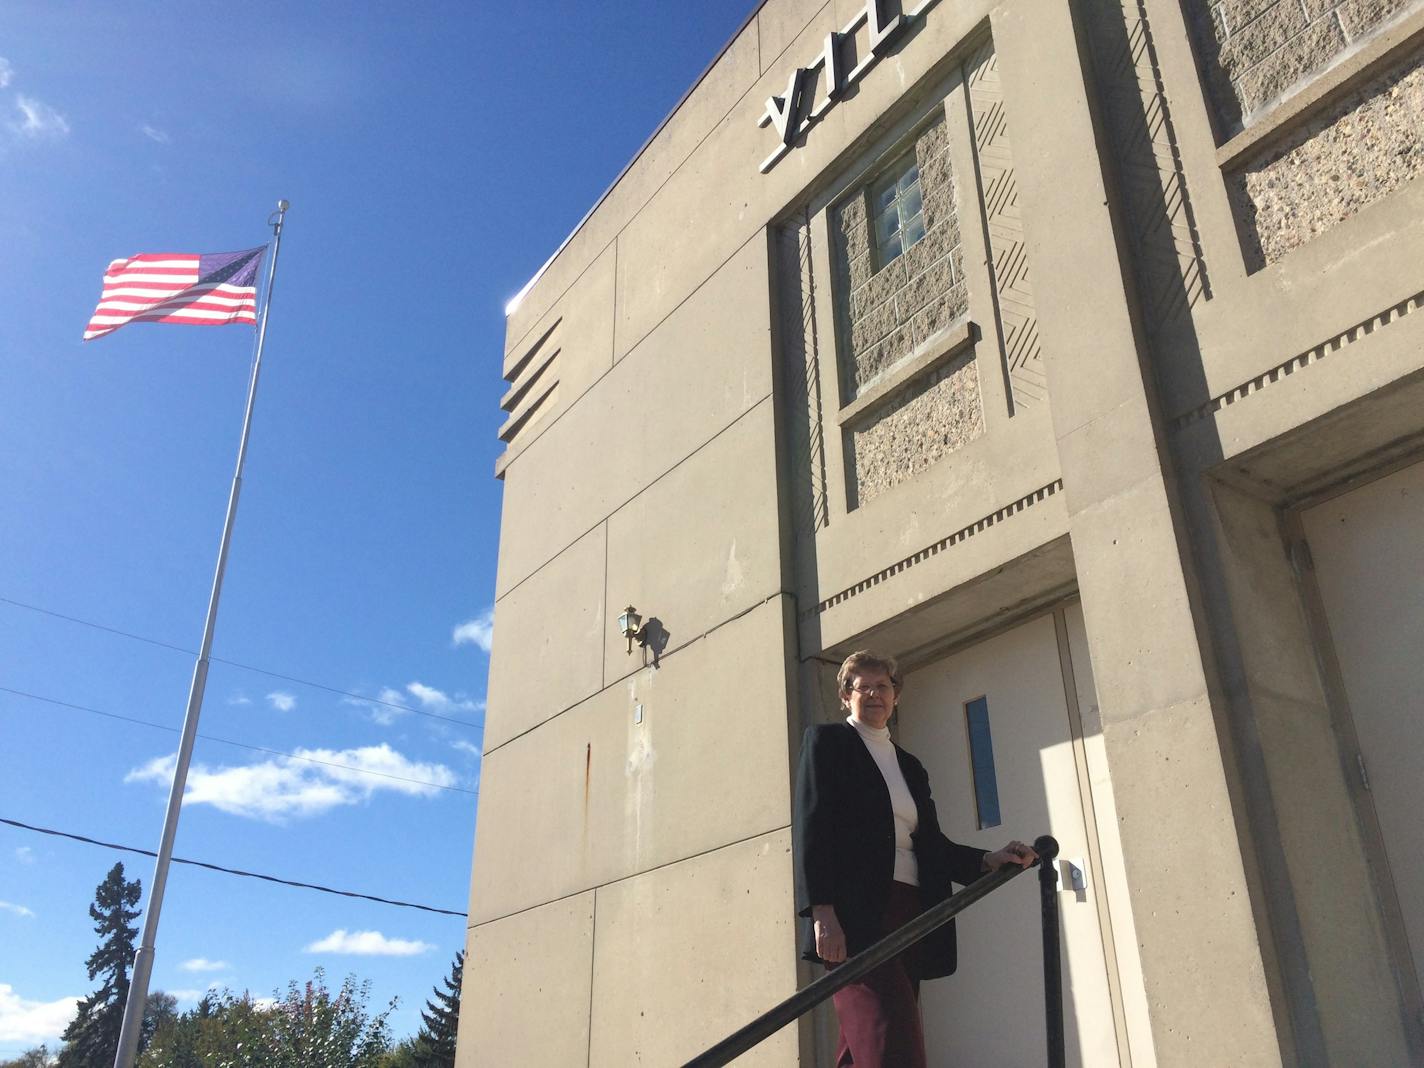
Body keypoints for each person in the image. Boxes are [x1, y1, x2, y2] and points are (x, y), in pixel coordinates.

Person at [793, 649, 1037, 1068]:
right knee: (892, 1042)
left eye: (883, 685)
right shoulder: (828, 744)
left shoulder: (909, 765)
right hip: (857, 919)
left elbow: (931, 846)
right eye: (862, 686)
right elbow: (814, 830)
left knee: (864, 1047)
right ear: (845, 696)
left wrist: (988, 859)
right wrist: (823, 912)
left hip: (912, 912)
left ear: (896, 695)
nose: (874, 693)